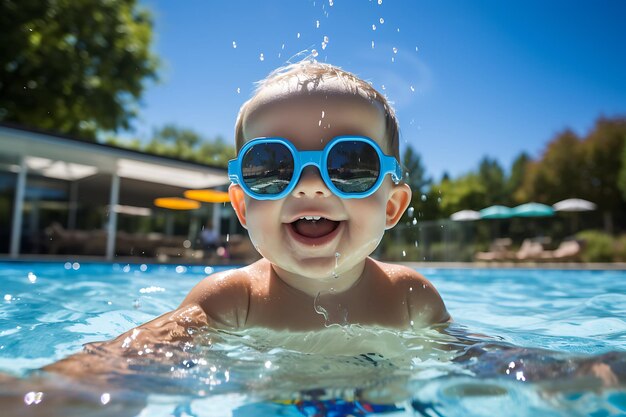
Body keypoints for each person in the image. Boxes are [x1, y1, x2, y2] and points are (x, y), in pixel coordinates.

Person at [43, 60, 449, 377]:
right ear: (242, 207)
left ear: (392, 206)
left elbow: (477, 362)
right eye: (270, 167)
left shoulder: (409, 297)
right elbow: (131, 363)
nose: (310, 186)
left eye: (350, 164)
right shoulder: (233, 300)